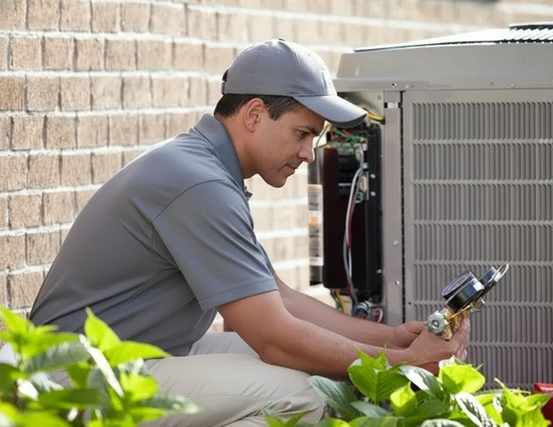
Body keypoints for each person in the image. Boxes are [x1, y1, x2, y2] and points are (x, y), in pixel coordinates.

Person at [28, 38, 470, 426]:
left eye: (313, 139)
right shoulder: (198, 184)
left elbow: (280, 300)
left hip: (138, 356)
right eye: (302, 133)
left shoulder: (205, 170)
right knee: (298, 395)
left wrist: (391, 338)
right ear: (255, 114)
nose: (307, 154)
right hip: (75, 378)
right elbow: (276, 338)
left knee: (313, 373)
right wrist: (404, 364)